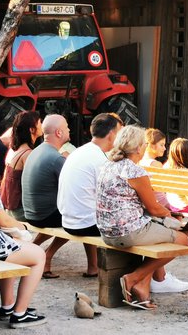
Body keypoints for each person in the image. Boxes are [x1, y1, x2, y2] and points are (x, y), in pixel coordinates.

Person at [96, 125, 188, 309]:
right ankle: (134, 278)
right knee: (182, 239)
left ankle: (143, 288)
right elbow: (155, 209)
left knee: (160, 233)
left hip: (106, 231)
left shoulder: (108, 165)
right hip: (127, 232)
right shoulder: (135, 171)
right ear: (139, 148)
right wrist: (169, 215)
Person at [0, 131, 47, 328]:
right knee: (37, 255)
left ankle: (8, 306)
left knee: (10, 245)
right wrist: (22, 226)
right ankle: (20, 313)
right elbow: (4, 220)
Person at [57, 113, 123, 277]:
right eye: (120, 132)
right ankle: (146, 277)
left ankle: (94, 267)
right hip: (84, 223)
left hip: (67, 219)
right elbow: (113, 199)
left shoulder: (80, 151)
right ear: (111, 134)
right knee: (136, 225)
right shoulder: (100, 160)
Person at [21, 114, 71, 279]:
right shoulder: (56, 158)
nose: (69, 129)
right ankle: (47, 255)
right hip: (44, 216)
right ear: (58, 133)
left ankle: (32, 248)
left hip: (29, 213)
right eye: (66, 127)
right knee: (80, 218)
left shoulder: (36, 151)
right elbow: (72, 188)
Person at [0, 111, 42, 221]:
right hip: (19, 211)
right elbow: (35, 185)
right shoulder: (27, 154)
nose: (42, 125)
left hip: (8, 207)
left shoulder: (14, 149)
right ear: (31, 129)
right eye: (40, 123)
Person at [139, 128, 171, 208]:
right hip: (160, 202)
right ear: (151, 146)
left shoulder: (139, 162)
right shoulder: (156, 164)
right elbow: (165, 187)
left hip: (145, 202)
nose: (164, 148)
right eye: (161, 145)